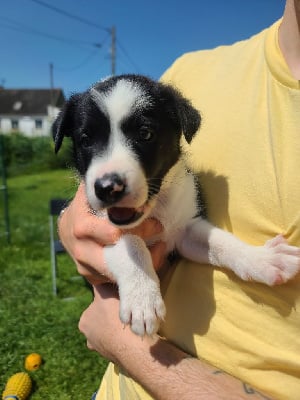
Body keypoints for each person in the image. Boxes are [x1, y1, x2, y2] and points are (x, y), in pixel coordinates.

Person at [58, 0, 300, 399]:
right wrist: (77, 223)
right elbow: (98, 230)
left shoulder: (173, 149)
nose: (110, 174)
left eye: (145, 135)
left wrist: (250, 260)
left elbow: (187, 234)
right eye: (88, 140)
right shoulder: (190, 71)